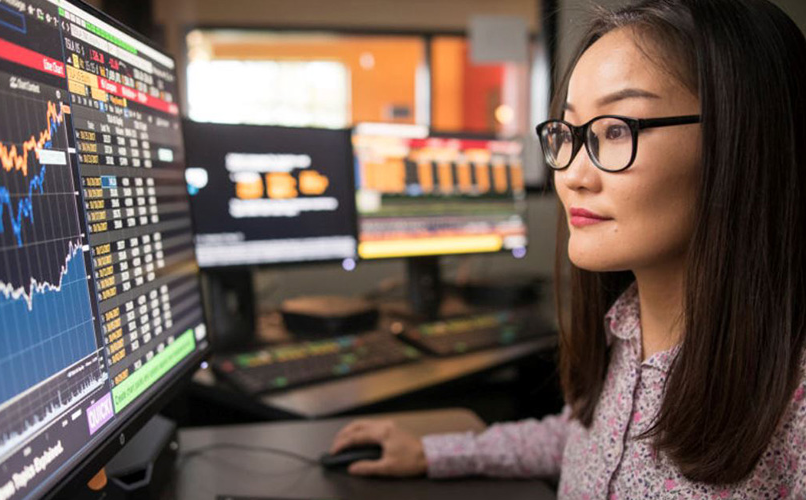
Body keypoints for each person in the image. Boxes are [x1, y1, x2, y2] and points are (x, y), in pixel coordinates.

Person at [330, 0, 806, 497]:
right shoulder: (622, 326)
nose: (573, 175)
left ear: (745, 138)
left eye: (617, 130)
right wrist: (434, 451)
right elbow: (582, 439)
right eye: (569, 132)